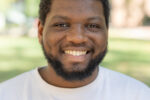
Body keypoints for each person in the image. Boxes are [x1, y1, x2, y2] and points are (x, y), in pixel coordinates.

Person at [0, 0, 150, 100]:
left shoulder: (137, 95)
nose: (77, 38)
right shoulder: (7, 94)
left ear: (106, 33)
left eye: (92, 26)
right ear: (40, 32)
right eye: (61, 25)